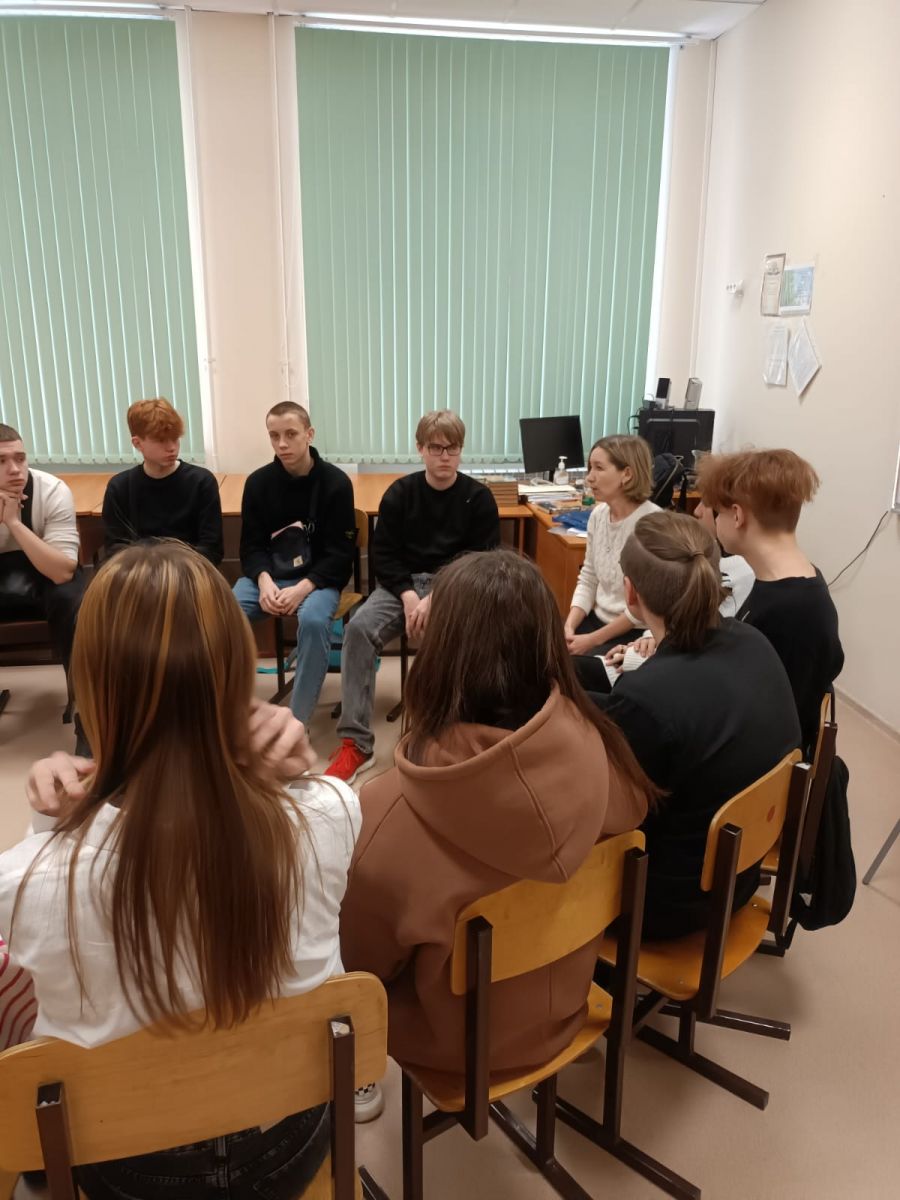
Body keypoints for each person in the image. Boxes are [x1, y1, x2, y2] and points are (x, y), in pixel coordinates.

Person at [0, 542, 360, 1199]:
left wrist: (49, 825)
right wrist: (296, 778)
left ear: (93, 690)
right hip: (291, 1143)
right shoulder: (332, 812)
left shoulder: (28, 878)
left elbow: (33, 921)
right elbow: (314, 807)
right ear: (237, 675)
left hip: (128, 1170)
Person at [340, 549, 655, 1079]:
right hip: (570, 1002)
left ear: (440, 654)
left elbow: (359, 968)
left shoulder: (380, 814)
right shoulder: (602, 753)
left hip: (450, 1044)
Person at [591, 512, 801, 940]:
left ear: (630, 593)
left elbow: (608, 819)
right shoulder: (754, 642)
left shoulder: (647, 700)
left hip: (668, 904)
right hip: (740, 872)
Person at [325, 410, 500, 783]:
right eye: (435, 448)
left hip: (455, 587)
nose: (444, 456)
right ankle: (356, 744)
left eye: (452, 448)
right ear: (420, 448)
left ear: (461, 449)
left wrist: (436, 596)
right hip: (400, 586)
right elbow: (384, 556)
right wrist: (408, 596)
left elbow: (480, 561)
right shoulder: (400, 494)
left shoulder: (479, 498)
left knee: (466, 637)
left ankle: (449, 734)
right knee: (359, 629)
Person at [696, 448, 843, 756]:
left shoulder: (792, 610)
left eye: (717, 512)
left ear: (737, 516)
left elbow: (769, 722)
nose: (712, 520)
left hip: (762, 762)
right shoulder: (788, 580)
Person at [234, 402, 356, 728]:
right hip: (270, 577)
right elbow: (250, 547)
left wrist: (303, 589)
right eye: (274, 436)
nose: (282, 444)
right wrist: (263, 581)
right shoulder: (258, 483)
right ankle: (228, 711)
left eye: (290, 434)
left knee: (314, 620)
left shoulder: (335, 483)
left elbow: (340, 555)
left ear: (309, 434)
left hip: (317, 580)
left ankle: (296, 723)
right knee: (224, 614)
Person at [603, 495, 755, 676]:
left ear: (630, 591)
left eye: (707, 503)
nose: (696, 511)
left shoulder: (639, 689)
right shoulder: (752, 641)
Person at [0, 423, 85, 721]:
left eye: (20, 458)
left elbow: (62, 572)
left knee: (73, 599)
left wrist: (13, 522)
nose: (15, 469)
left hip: (45, 567)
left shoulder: (52, 490)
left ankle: (83, 703)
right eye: (1, 461)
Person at [564, 435, 659, 693]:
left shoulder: (651, 524)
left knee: (572, 676)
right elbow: (589, 577)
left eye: (599, 468)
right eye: (589, 468)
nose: (589, 478)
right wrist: (569, 625)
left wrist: (591, 640)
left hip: (631, 633)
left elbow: (642, 607)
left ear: (626, 474)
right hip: (595, 621)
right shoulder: (598, 515)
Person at [101, 398, 223, 564]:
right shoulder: (119, 487)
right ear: (138, 443)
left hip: (190, 572)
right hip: (138, 573)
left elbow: (211, 549)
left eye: (175, 438)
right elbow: (115, 549)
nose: (172, 447)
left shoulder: (201, 482)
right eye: (161, 440)